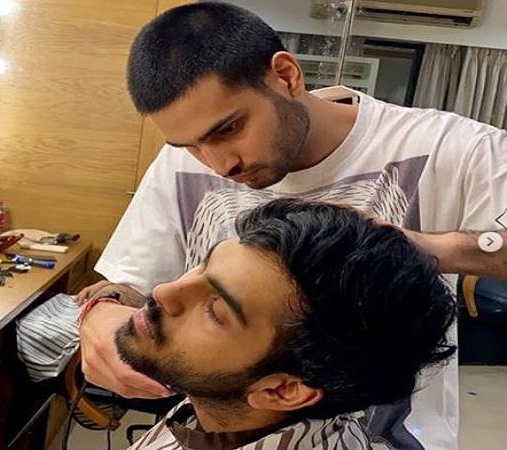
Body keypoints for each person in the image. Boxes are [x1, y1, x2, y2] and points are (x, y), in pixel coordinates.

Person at [77, 3, 507, 449]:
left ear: (286, 75)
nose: (219, 165)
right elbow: (132, 281)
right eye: (190, 145)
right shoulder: (180, 166)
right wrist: (103, 311)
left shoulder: (454, 147)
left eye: (229, 129)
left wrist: (418, 248)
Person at [112, 198, 457, 450]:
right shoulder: (218, 406)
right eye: (203, 266)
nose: (164, 292)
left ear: (282, 390)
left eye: (216, 311)